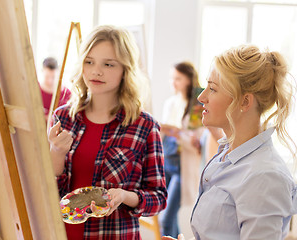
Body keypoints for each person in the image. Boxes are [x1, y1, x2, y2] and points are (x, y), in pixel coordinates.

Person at [163, 44, 297, 240]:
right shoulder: (225, 155)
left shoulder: (265, 177)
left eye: (213, 89)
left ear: (244, 102)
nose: (201, 97)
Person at [47, 25, 167, 239]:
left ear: (125, 70)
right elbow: (47, 193)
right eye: (89, 61)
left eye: (108, 64)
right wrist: (56, 152)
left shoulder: (144, 126)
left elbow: (158, 199)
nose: (96, 71)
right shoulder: (63, 118)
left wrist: (125, 196)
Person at [159, 62, 201, 238]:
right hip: (167, 162)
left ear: (189, 80)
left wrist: (177, 133)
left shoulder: (197, 105)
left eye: (178, 78)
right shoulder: (171, 102)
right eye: (172, 78)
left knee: (166, 219)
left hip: (182, 166)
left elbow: (197, 140)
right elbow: (163, 134)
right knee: (169, 215)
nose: (173, 82)